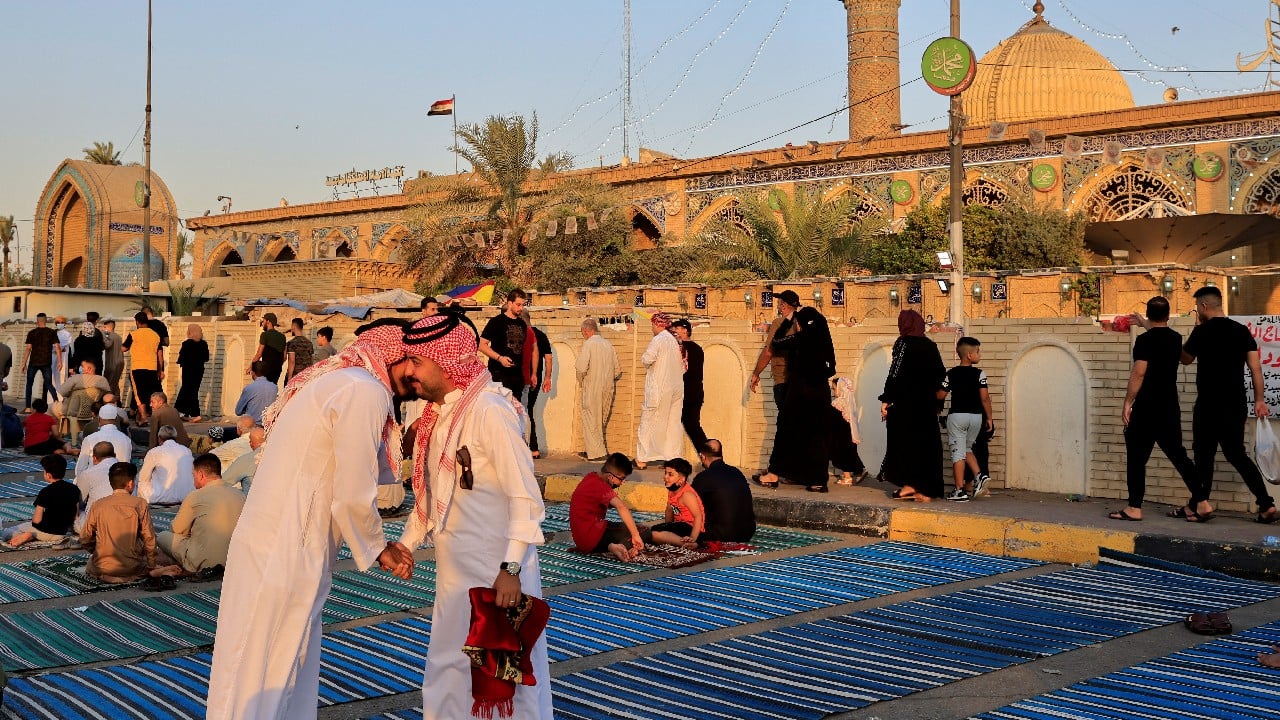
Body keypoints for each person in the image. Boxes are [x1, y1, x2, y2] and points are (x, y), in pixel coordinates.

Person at [206, 320, 416, 720]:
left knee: (253, 658)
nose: (418, 377)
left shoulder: (338, 380)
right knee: (273, 661)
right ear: (397, 355)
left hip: (273, 539)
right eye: (415, 363)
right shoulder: (364, 391)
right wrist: (378, 548)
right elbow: (353, 491)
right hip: (291, 544)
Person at [391, 313, 553, 720]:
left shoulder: (489, 411)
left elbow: (526, 498)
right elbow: (434, 495)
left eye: (417, 362)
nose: (409, 372)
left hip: (498, 575)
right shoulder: (436, 416)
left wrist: (511, 568)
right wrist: (405, 544)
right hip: (455, 579)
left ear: (448, 361)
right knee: (448, 670)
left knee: (505, 682)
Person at [1180, 285, 1277, 524]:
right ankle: (1266, 504)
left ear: (1203, 307)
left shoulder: (1201, 332)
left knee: (1204, 455)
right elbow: (1256, 369)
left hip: (1208, 405)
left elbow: (1185, 359)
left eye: (1197, 309)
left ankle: (1201, 505)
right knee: (1237, 454)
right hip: (1236, 405)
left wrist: (1193, 332)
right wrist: (1260, 400)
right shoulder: (1242, 331)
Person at [1111, 297, 1198, 522]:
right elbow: (1161, 334)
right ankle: (1202, 499)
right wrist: (1143, 321)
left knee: (1137, 457)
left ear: (1149, 315)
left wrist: (1128, 402)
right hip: (1169, 405)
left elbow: (1139, 372)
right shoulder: (1175, 339)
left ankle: (1134, 507)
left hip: (1147, 406)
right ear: (1168, 316)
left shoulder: (1144, 341)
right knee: (1179, 455)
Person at [754, 303, 838, 492]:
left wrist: (788, 321)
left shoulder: (800, 338)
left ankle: (774, 474)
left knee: (787, 431)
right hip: (820, 393)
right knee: (817, 436)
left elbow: (775, 342)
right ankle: (816, 481)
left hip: (800, 391)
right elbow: (831, 368)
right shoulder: (824, 341)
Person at [879, 309, 946, 501]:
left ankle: (909, 485)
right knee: (924, 446)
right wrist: (937, 401)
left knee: (904, 445)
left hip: (906, 405)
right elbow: (941, 375)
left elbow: (895, 373)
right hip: (926, 405)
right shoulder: (930, 346)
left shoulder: (903, 344)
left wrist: (886, 399)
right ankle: (922, 488)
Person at [153, 453, 245, 576]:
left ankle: (187, 565)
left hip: (205, 562)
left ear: (200, 475)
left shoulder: (195, 496)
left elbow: (177, 529)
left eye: (193, 476)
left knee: (163, 536)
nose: (193, 480)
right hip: (236, 561)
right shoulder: (240, 494)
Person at [80, 462, 156, 584]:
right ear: (130, 483)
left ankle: (108, 576)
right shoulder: (140, 503)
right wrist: (151, 564)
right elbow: (149, 538)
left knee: (90, 564)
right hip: (132, 566)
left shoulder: (98, 505)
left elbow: (85, 538)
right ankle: (130, 577)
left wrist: (97, 551)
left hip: (103, 566)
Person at [940, 337, 995, 502]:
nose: (980, 355)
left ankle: (959, 490)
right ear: (969, 355)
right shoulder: (980, 374)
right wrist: (989, 419)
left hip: (958, 417)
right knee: (967, 448)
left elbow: (941, 394)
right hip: (976, 418)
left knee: (958, 454)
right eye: (978, 351)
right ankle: (980, 476)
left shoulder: (951, 373)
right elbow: (985, 398)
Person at [569, 453, 652, 562]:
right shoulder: (600, 486)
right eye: (621, 479)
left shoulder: (591, 477)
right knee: (644, 531)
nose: (622, 483)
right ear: (610, 477)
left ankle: (612, 547)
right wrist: (635, 535)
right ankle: (619, 547)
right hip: (592, 536)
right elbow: (621, 506)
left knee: (627, 529)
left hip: (581, 540)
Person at [749, 290, 800, 458]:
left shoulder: (779, 324)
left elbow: (769, 351)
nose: (778, 306)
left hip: (783, 379)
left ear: (784, 305)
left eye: (780, 303)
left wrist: (756, 373)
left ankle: (783, 467)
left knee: (786, 425)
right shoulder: (803, 323)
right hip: (800, 381)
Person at [636, 312, 684, 470]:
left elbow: (647, 359)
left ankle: (642, 459)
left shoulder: (658, 340)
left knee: (648, 422)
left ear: (658, 324)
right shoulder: (675, 341)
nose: (651, 328)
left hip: (659, 389)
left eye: (652, 325)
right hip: (676, 389)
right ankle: (672, 458)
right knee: (672, 424)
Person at [3, 455, 77, 547]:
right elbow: (75, 515)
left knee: (7, 533)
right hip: (61, 533)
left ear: (48, 475)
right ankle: (31, 536)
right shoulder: (74, 489)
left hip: (43, 532)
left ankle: (29, 536)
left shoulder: (45, 492)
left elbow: (37, 521)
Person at [691, 439, 756, 543]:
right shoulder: (737, 472)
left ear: (703, 456)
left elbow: (689, 505)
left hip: (721, 535)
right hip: (747, 533)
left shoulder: (703, 477)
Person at [576, 318, 621, 462]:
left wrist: (582, 380)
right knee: (599, 419)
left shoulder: (589, 344)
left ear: (586, 331)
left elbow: (581, 367)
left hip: (592, 387)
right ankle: (593, 450)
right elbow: (617, 370)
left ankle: (596, 454)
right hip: (607, 387)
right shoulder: (608, 345)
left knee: (590, 419)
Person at [479, 288, 532, 397]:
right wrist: (500, 358)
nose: (521, 308)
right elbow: (481, 345)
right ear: (509, 303)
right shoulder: (496, 322)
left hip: (517, 377)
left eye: (522, 305)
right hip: (499, 375)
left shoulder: (522, 324)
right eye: (518, 305)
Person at [649, 458, 705, 548]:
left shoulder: (687, 495)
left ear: (681, 480)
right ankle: (679, 541)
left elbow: (698, 516)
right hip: (679, 527)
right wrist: (667, 526)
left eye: (670, 475)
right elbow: (669, 510)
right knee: (654, 531)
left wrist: (693, 537)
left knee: (653, 533)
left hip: (692, 529)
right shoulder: (672, 491)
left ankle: (690, 543)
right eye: (665, 473)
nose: (665, 477)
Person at [521, 309, 553, 459]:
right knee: (529, 410)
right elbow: (548, 359)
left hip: (524, 378)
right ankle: (534, 448)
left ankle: (528, 446)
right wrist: (547, 378)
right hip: (537, 378)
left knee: (522, 411)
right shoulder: (541, 335)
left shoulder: (522, 334)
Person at [671, 318, 707, 451]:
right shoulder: (698, 348)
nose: (675, 331)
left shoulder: (682, 348)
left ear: (685, 330)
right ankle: (707, 455)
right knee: (692, 426)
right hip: (695, 391)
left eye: (678, 328)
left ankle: (708, 455)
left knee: (688, 426)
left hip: (686, 392)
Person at [137, 425, 196, 504]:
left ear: (159, 438)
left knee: (140, 481)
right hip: (186, 496)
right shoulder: (187, 451)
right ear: (175, 437)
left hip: (163, 498)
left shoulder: (155, 451)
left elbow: (143, 477)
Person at [123, 311, 164, 423]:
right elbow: (160, 354)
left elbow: (124, 348)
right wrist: (160, 370)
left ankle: (144, 417)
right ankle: (152, 417)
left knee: (139, 393)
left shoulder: (134, 334)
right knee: (151, 391)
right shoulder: (155, 335)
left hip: (137, 367)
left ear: (137, 322)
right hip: (152, 367)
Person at [830, 376, 870, 485]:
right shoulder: (850, 403)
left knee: (841, 454)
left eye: (834, 389)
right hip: (849, 433)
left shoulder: (838, 403)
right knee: (850, 453)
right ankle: (858, 471)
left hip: (840, 435)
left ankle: (848, 477)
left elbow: (833, 418)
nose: (833, 392)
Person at [58, 360, 111, 437]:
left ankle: (57, 435)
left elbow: (63, 392)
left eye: (82, 366)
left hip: (70, 409)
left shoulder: (76, 378)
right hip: (91, 410)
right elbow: (108, 394)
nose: (81, 368)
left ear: (89, 369)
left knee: (50, 409)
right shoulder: (102, 380)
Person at [74, 441, 118, 533]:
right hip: (125, 522)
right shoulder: (128, 469)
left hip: (97, 525)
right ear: (115, 455)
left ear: (94, 458)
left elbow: (80, 501)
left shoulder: (88, 473)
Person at [75, 405, 132, 475]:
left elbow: (80, 468)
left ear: (99, 419)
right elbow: (126, 465)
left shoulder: (90, 439)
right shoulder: (126, 439)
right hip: (118, 482)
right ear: (116, 419)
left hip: (94, 481)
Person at [22, 312, 60, 411]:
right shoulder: (52, 332)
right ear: (46, 320)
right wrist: (60, 361)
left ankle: (27, 408)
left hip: (33, 362)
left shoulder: (32, 333)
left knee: (29, 384)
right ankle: (57, 403)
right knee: (48, 384)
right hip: (46, 362)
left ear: (37, 321)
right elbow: (57, 347)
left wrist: (23, 363)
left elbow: (28, 348)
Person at [175, 324, 209, 421]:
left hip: (188, 370)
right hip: (199, 370)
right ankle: (185, 413)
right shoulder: (203, 344)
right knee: (192, 390)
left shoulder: (187, 344)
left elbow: (181, 358)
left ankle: (194, 414)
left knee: (188, 390)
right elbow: (206, 358)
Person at [248, 311, 287, 384]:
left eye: (263, 321)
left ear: (268, 321)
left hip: (266, 369)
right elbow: (284, 357)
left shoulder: (265, 335)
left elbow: (259, 354)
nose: (262, 324)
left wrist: (251, 367)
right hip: (277, 370)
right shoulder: (282, 337)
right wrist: (277, 365)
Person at [222, 426, 265, 490]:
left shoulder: (246, 460)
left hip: (252, 499)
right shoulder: (280, 457)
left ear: (251, 443)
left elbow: (222, 483)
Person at [285, 318, 316, 382]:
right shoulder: (309, 343)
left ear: (293, 326)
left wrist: (289, 378)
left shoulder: (292, 343)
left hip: (296, 376)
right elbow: (312, 360)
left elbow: (292, 361)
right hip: (306, 376)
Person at [101, 319, 125, 397]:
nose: (103, 329)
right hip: (119, 363)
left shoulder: (110, 336)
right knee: (115, 383)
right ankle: (118, 402)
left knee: (109, 385)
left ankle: (110, 401)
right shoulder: (118, 337)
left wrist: (103, 335)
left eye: (104, 327)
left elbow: (107, 345)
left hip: (112, 364)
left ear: (108, 327)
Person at [53, 316, 72, 384]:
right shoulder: (52, 333)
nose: (60, 324)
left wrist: (56, 348)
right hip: (52, 358)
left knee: (62, 378)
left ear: (65, 323)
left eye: (62, 322)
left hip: (63, 359)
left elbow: (61, 346)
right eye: (58, 322)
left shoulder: (67, 334)